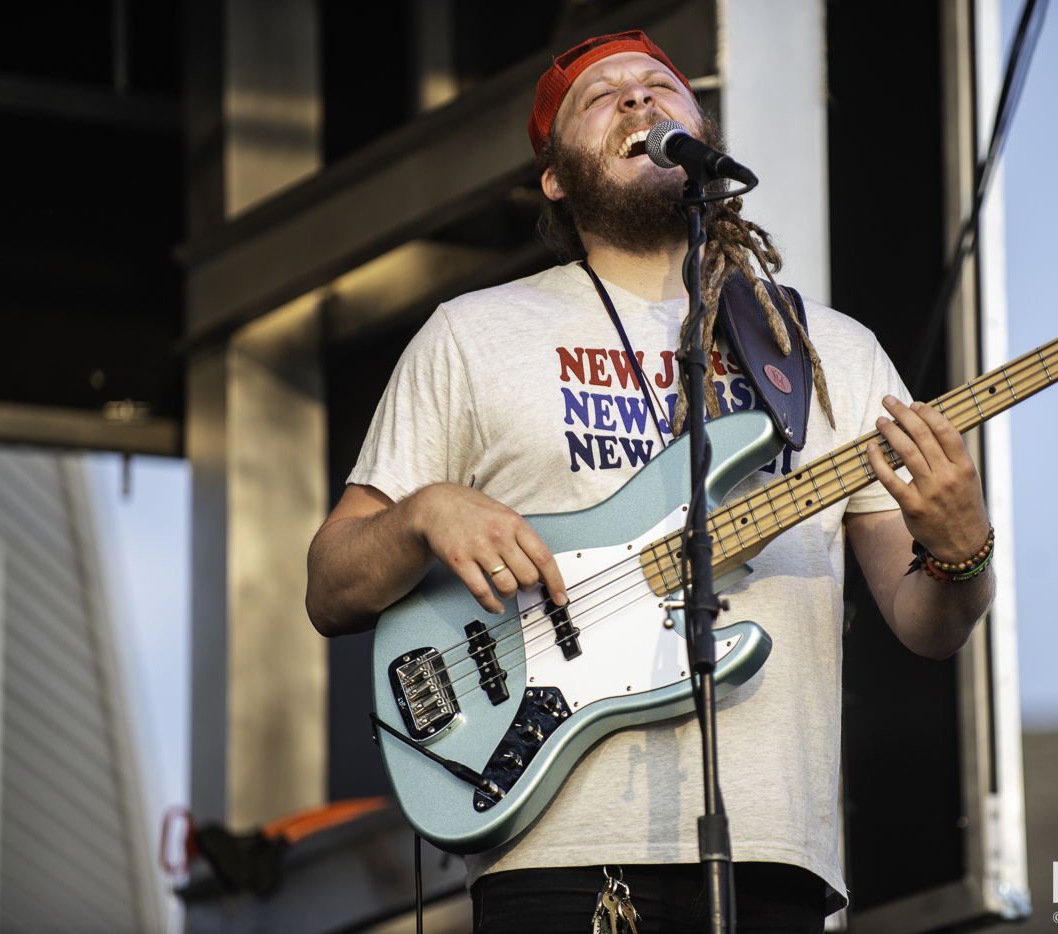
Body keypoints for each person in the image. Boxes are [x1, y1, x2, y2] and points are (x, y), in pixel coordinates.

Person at [306, 30, 994, 933]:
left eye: (659, 85)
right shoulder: (473, 335)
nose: (638, 100)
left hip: (772, 852)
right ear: (556, 177)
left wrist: (963, 549)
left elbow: (927, 624)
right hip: (555, 850)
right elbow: (331, 586)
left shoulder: (829, 352)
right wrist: (426, 514)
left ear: (701, 134)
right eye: (604, 97)